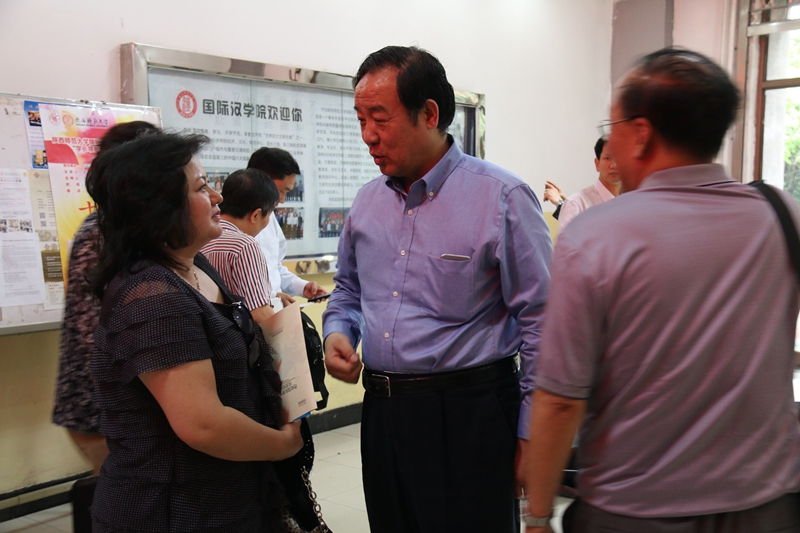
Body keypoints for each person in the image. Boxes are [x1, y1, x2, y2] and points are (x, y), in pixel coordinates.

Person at [522, 48, 800, 532]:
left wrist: (539, 515)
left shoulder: (596, 235)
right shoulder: (781, 213)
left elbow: (562, 397)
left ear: (641, 133)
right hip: (765, 503)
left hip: (638, 509)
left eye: (613, 127)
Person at [322, 45, 552, 533]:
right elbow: (347, 289)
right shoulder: (366, 203)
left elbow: (543, 323)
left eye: (379, 118)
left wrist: (533, 434)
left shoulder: (502, 198)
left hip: (470, 413)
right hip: (383, 411)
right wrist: (338, 331)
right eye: (360, 119)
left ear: (429, 113)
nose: (367, 136)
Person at [87, 132, 302, 532]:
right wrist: (283, 445)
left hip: (228, 495)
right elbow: (204, 425)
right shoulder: (150, 295)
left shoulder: (195, 264)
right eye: (202, 187)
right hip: (173, 509)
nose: (218, 196)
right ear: (160, 205)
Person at [52, 120, 158, 475]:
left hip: (120, 400)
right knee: (124, 493)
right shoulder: (100, 232)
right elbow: (90, 330)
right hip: (100, 403)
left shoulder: (133, 228)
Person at [247, 147, 327, 309]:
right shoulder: (226, 224)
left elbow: (274, 268)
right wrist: (272, 298)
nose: (282, 200)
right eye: (280, 191)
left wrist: (302, 287)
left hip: (274, 313)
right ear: (260, 180)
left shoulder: (270, 219)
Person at [200, 168, 279, 328]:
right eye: (270, 214)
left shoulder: (200, 239)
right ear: (256, 215)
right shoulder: (244, 245)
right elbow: (259, 314)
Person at [557, 137, 620, 230]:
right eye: (608, 158)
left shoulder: (633, 203)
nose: (614, 165)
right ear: (597, 164)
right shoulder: (576, 204)